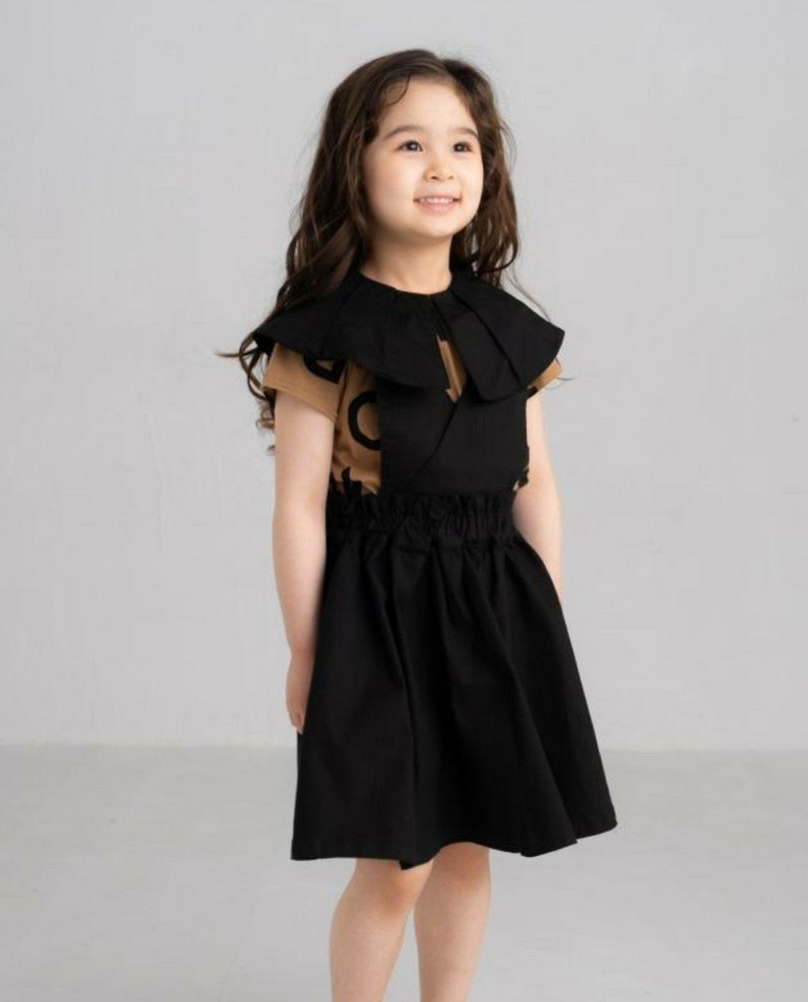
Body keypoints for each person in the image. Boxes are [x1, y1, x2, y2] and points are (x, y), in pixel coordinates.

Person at [224, 48, 617, 1002]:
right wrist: (307, 650)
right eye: (409, 144)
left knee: (469, 843)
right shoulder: (324, 336)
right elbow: (298, 505)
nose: (441, 167)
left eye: (462, 145)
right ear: (354, 165)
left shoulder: (504, 329)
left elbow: (536, 483)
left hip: (491, 605)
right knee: (398, 862)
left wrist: (540, 621)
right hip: (379, 615)